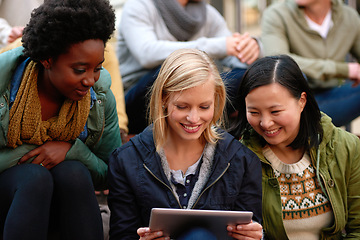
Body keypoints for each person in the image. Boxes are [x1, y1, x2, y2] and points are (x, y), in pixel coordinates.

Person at [108, 48, 263, 240]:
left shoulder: (242, 160)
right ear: (163, 98)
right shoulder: (126, 160)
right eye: (182, 107)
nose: (193, 118)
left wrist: (255, 236)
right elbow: (122, 234)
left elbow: (251, 225)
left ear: (217, 100)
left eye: (204, 107)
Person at [0, 0, 121, 239]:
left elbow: (110, 173)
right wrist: (35, 153)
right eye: (79, 69)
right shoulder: (3, 79)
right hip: (9, 201)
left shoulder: (100, 96)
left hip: (61, 206)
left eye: (97, 67)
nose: (90, 80)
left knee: (73, 172)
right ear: (47, 59)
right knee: (35, 177)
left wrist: (71, 151)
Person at [232, 55, 360, 239]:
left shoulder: (346, 147)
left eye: (275, 111)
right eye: (253, 112)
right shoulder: (239, 158)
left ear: (301, 101)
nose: (265, 123)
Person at [118, 0, 262, 134]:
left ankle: (208, 123)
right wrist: (218, 45)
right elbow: (147, 53)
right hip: (140, 96)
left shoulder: (206, 13)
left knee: (247, 77)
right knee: (169, 69)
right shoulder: (140, 6)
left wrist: (252, 48)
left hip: (195, 91)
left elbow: (234, 53)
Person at [261, 0, 360, 128]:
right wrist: (342, 69)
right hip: (293, 105)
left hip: (334, 98)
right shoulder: (276, 14)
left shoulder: (349, 16)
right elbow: (277, 61)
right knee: (296, 74)